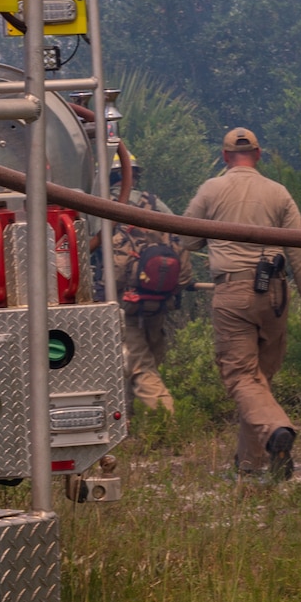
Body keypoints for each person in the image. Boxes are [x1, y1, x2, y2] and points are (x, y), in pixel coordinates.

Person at [180, 127, 301, 480]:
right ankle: (250, 466)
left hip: (233, 293)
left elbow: (186, 238)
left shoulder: (212, 188)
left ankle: (276, 431)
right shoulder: (279, 193)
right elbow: (298, 251)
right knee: (257, 380)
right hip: (275, 293)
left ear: (224, 157)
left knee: (241, 377)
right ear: (258, 154)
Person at [100, 152, 185, 414]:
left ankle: (169, 422)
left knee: (139, 365)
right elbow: (178, 238)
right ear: (133, 175)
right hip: (158, 298)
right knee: (147, 360)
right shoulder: (155, 204)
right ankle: (130, 422)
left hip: (123, 300)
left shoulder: (98, 204)